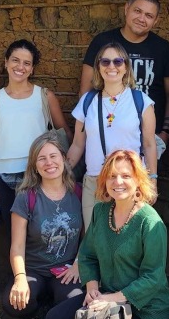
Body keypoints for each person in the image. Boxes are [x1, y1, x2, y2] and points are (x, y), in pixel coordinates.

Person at [45, 150, 169, 319]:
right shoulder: (101, 211)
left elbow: (153, 278)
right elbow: (88, 255)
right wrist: (92, 288)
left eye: (126, 176)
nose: (118, 182)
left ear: (138, 181)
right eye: (112, 176)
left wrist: (110, 299)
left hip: (146, 307)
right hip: (106, 297)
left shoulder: (150, 222)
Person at [79, 0, 169, 163]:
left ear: (156, 21)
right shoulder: (102, 42)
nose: (141, 18)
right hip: (105, 136)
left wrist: (165, 133)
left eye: (149, 15)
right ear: (126, 9)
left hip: (147, 140)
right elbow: (85, 91)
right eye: (137, 11)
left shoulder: (163, 49)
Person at [3, 133, 84, 319]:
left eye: (53, 156)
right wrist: (20, 278)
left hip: (66, 270)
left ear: (63, 158)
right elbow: (17, 246)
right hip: (34, 270)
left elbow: (88, 237)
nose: (49, 163)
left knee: (76, 300)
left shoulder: (79, 193)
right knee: (15, 303)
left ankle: (54, 312)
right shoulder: (26, 197)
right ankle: (37, 312)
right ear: (34, 165)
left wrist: (78, 264)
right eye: (42, 158)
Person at [67, 43, 158, 227]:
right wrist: (62, 173)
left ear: (126, 66)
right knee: (94, 235)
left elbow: (149, 144)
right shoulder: (88, 101)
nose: (111, 66)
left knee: (127, 237)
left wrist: (153, 180)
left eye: (118, 61)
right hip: (95, 180)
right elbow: (77, 144)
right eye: (105, 61)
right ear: (98, 66)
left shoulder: (141, 101)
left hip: (129, 181)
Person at [0, 40, 70, 228]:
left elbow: (64, 133)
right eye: (15, 60)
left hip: (38, 172)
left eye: (27, 63)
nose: (20, 67)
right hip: (3, 175)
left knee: (40, 228)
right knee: (11, 229)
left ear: (32, 69)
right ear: (6, 62)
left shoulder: (45, 96)